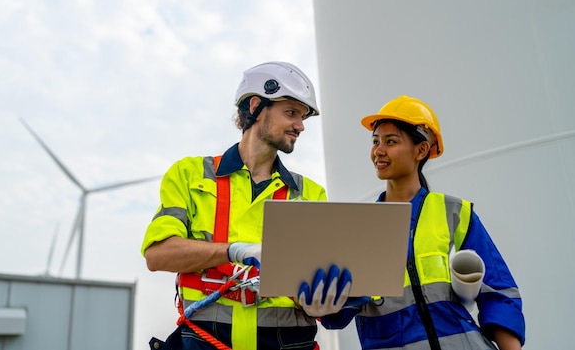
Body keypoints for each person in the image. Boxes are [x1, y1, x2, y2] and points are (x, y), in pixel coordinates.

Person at [299, 95, 525, 349]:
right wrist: (322, 303)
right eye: (375, 142)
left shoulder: (453, 211)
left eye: (390, 141)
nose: (378, 151)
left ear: (421, 150)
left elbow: (498, 291)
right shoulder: (361, 227)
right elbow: (337, 314)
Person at [141, 61, 330, 350]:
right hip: (205, 341)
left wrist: (322, 304)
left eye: (303, 116)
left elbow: (320, 279)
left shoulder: (311, 194)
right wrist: (233, 251)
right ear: (255, 106)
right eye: (291, 112)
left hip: (288, 343)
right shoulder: (189, 175)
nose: (300, 126)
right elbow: (158, 255)